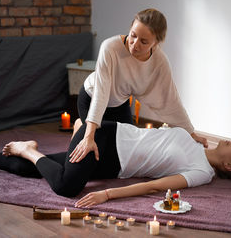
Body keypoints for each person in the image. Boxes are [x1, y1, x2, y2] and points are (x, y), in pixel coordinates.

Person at [0, 119, 231, 208]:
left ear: (230, 167)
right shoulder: (194, 138)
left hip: (112, 166)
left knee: (27, 170)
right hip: (103, 137)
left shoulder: (202, 173)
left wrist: (107, 195)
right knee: (65, 187)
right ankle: (28, 147)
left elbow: (155, 186)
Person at [77, 8, 208, 164]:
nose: (135, 45)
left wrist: (191, 134)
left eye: (144, 41)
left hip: (119, 103)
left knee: (127, 153)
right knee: (94, 153)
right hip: (91, 98)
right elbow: (101, 94)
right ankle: (80, 128)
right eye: (133, 35)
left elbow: (171, 101)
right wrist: (88, 135)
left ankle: (80, 127)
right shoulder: (110, 47)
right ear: (130, 28)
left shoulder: (160, 61)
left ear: (156, 43)